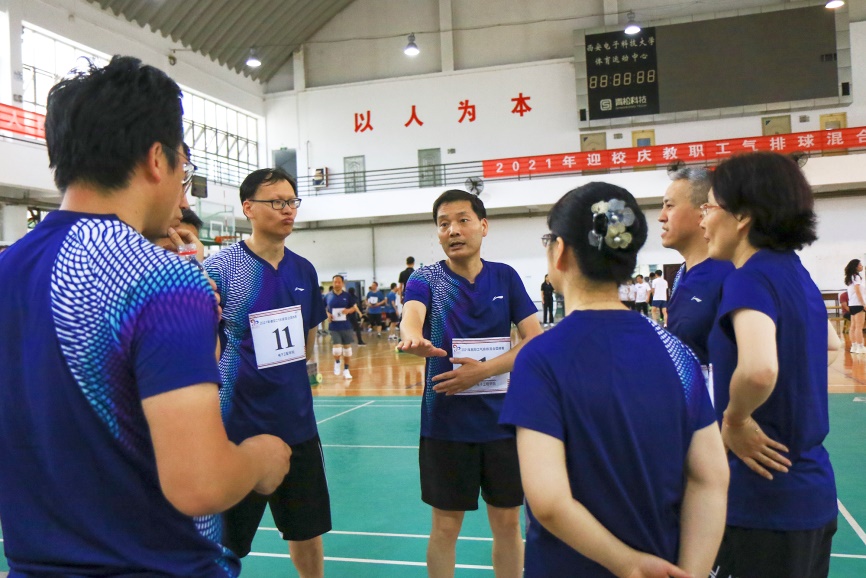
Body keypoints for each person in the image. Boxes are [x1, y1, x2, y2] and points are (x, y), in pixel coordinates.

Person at [0, 56, 290, 577]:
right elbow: (199, 484)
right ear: (158, 159)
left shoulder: (8, 269)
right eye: (184, 169)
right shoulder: (162, 278)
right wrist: (260, 459)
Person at [500, 182, 729, 578]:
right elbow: (711, 478)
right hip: (666, 563)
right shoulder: (677, 352)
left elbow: (549, 501)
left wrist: (628, 565)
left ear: (560, 251)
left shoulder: (540, 358)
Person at [703, 152, 842, 578]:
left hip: (762, 503)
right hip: (812, 496)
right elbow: (831, 344)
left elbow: (760, 368)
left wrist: (736, 419)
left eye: (709, 207)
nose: (704, 220)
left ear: (742, 216)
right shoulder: (796, 274)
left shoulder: (748, 278)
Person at [399, 189, 543, 578]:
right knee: (446, 527)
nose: (453, 230)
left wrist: (483, 370)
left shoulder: (505, 277)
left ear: (483, 225)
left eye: (463, 220)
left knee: (508, 524)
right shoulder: (426, 278)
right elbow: (412, 315)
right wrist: (413, 337)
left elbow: (534, 339)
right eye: (443, 224)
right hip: (446, 426)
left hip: (503, 424)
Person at [204, 167, 330, 578]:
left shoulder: (304, 270)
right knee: (225, 544)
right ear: (249, 208)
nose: (287, 210)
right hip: (238, 429)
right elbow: (205, 345)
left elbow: (307, 340)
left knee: (307, 533)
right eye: (276, 202)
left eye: (292, 201)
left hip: (297, 425)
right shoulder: (221, 267)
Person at [659, 167, 734, 403]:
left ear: (703, 211)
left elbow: (824, 346)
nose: (661, 216)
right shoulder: (682, 274)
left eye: (669, 206)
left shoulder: (732, 275)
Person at [325, 274, 360, 378]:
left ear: (342, 283)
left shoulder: (347, 296)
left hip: (346, 326)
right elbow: (323, 309)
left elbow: (354, 308)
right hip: (334, 326)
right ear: (333, 283)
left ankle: (346, 369)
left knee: (347, 350)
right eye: (335, 282)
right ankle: (337, 362)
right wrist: (327, 314)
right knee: (336, 349)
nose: (337, 284)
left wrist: (348, 310)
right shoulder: (328, 296)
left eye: (339, 282)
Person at [845, 259, 864, 353]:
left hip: (852, 303)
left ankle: (854, 346)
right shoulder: (856, 277)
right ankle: (860, 347)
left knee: (853, 326)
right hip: (858, 303)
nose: (862, 266)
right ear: (856, 267)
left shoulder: (850, 277)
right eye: (860, 265)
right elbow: (857, 291)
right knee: (859, 327)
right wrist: (863, 303)